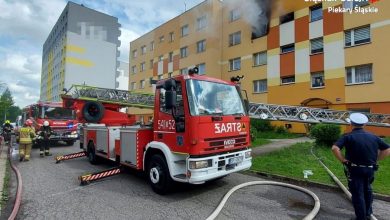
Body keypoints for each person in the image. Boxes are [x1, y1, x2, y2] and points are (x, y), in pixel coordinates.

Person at [332, 113, 390, 220]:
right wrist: (376, 160)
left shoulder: (348, 136)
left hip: (355, 169)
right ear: (364, 124)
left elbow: (335, 148)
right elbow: (387, 149)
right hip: (370, 169)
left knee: (358, 194)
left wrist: (343, 160)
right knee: (367, 190)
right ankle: (367, 214)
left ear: (351, 124)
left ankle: (361, 218)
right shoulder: (373, 136)